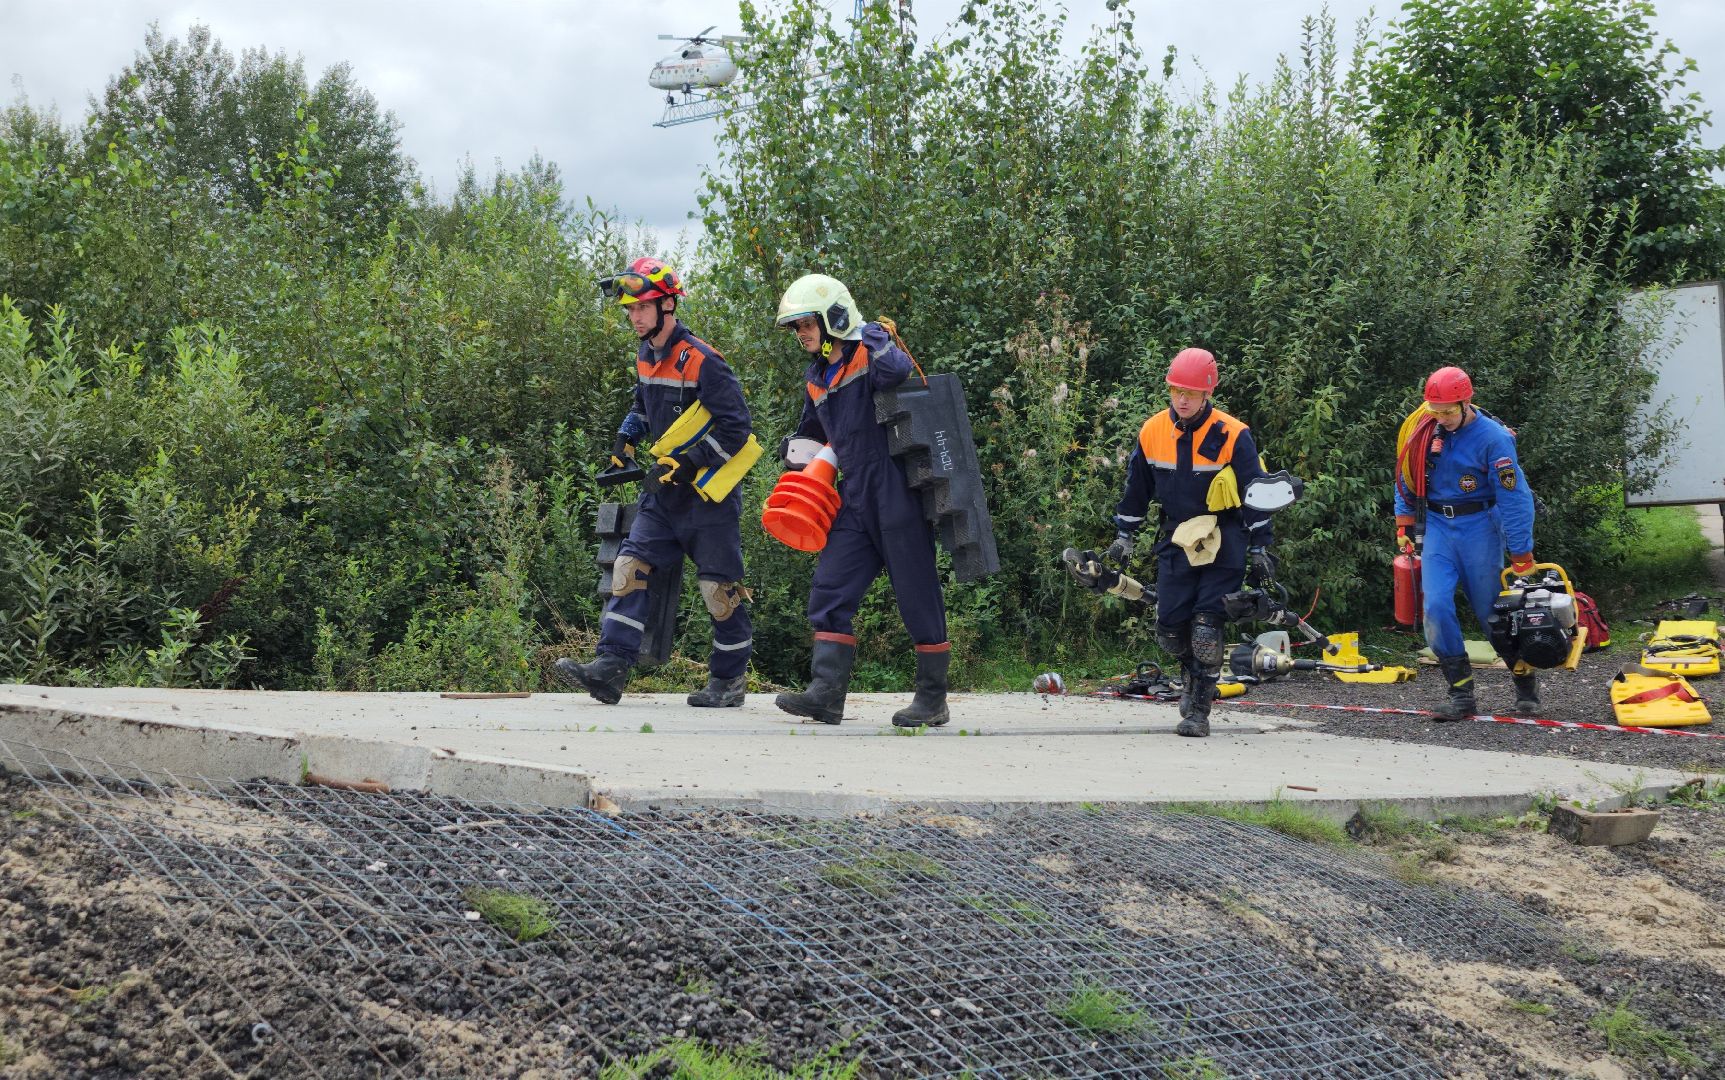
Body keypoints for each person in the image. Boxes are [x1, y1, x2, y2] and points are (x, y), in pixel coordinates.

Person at [554, 257, 755, 707]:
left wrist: (690, 463)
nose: (634, 317)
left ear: (668, 305)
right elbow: (644, 407)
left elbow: (737, 429)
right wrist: (627, 436)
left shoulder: (704, 361)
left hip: (708, 499)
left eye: (642, 308)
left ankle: (728, 682)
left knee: (719, 592)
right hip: (663, 496)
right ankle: (610, 668)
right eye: (629, 310)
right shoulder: (645, 354)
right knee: (629, 570)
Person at [771, 273, 951, 728]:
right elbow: (814, 434)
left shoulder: (868, 353)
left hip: (894, 489)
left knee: (917, 592)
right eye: (796, 327)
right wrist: (794, 457)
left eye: (807, 323)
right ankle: (826, 696)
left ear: (833, 317)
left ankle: (933, 699)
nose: (801, 334)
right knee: (831, 586)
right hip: (853, 493)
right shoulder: (817, 376)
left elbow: (897, 372)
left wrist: (874, 337)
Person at [1109, 347, 1273, 738]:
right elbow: (1137, 490)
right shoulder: (1151, 431)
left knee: (1205, 628)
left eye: (1190, 392)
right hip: (1176, 538)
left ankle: (1199, 706)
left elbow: (1257, 494)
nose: (1182, 399)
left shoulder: (1234, 434)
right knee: (1169, 629)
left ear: (1207, 393)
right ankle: (1193, 671)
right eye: (1176, 390)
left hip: (1225, 537)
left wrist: (1260, 547)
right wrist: (1124, 535)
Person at [1394, 365, 1538, 719]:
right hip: (1440, 527)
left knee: (1493, 613)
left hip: (1480, 527)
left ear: (1466, 402)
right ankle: (1461, 695)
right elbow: (1405, 474)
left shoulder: (1494, 439)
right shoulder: (1424, 430)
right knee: (1437, 607)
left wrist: (1521, 552)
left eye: (1448, 412)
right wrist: (1404, 522)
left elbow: (1515, 498)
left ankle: (1525, 685)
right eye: (1436, 411)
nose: (1441, 419)